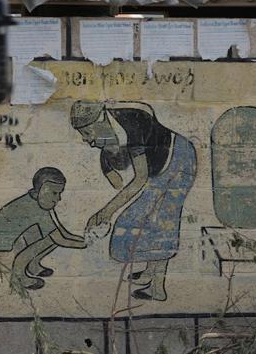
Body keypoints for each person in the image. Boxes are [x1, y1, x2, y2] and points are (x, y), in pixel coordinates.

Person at [71, 100, 197, 301]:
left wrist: (106, 211)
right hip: (161, 166)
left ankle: (157, 288)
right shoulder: (112, 128)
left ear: (100, 120)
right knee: (150, 219)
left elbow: (139, 179)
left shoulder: (130, 125)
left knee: (161, 223)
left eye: (87, 133)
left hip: (179, 160)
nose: (87, 140)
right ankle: (149, 273)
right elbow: (119, 171)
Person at [0, 167, 85, 290]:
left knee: (45, 233)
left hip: (3, 253)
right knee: (51, 238)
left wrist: (83, 239)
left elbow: (60, 231)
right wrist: (83, 244)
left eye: (59, 193)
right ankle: (20, 276)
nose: (58, 199)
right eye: (54, 193)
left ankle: (33, 266)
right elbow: (59, 238)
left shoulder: (36, 201)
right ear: (41, 189)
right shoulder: (34, 207)